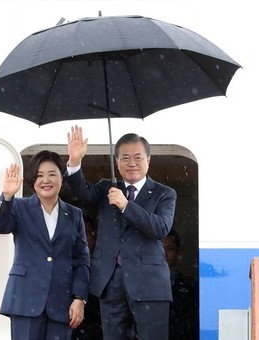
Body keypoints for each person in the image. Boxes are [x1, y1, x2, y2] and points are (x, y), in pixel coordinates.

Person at [65, 125, 177, 340]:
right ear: (116, 162)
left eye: (137, 157)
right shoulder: (108, 187)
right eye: (125, 158)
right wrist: (75, 161)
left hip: (150, 283)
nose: (131, 163)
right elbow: (81, 191)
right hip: (111, 281)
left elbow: (160, 228)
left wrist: (126, 206)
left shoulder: (164, 193)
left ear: (148, 160)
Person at [0, 150, 90, 340]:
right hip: (25, 299)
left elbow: (82, 260)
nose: (46, 180)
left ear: (62, 177)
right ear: (32, 180)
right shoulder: (19, 207)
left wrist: (79, 298)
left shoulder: (74, 215)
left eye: (52, 174)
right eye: (39, 175)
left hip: (61, 303)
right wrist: (7, 197)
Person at [163, 229, 199, 340]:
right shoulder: (142, 286)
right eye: (160, 249)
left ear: (178, 252)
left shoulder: (192, 286)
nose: (165, 254)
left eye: (170, 249)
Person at [72, 215, 103, 340]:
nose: (83, 238)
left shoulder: (104, 267)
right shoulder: (62, 265)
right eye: (79, 233)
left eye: (88, 233)